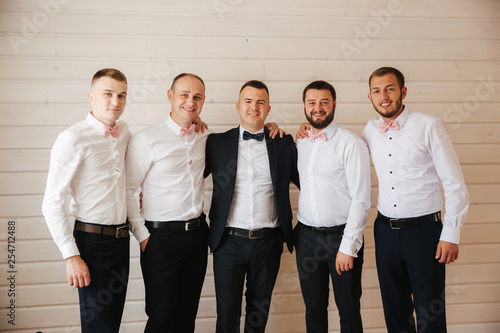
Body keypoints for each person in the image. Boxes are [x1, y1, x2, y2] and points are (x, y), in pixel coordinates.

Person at [361, 67, 469, 333]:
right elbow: (344, 154)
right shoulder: (369, 131)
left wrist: (451, 234)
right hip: (385, 232)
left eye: (390, 89)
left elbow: (455, 184)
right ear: (370, 97)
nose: (383, 96)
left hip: (425, 234)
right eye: (377, 91)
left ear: (403, 92)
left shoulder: (429, 126)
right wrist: (307, 130)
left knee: (429, 313)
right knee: (395, 313)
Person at [204, 80, 299, 333]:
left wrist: (308, 134)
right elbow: (188, 174)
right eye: (248, 101)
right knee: (226, 314)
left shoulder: (283, 142)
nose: (253, 107)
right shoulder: (215, 143)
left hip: (268, 241)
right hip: (228, 242)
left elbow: (308, 181)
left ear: (268, 109)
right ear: (238, 106)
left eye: (260, 102)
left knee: (259, 313)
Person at [42, 68, 133, 332]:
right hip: (91, 243)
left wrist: (195, 124)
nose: (115, 102)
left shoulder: (124, 132)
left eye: (122, 95)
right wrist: (71, 255)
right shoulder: (72, 138)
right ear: (91, 96)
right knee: (98, 327)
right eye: (108, 94)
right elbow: (52, 201)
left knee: (112, 323)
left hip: (121, 242)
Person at [125, 73, 210, 333]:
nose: (190, 101)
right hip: (159, 239)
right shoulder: (146, 139)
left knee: (187, 317)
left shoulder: (206, 136)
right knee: (161, 317)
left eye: (197, 97)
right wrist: (142, 235)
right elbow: (128, 189)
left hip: (197, 236)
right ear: (170, 95)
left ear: (203, 101)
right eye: (184, 94)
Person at [295, 80, 371, 333]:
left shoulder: (351, 144)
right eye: (312, 102)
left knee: (348, 311)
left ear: (334, 104)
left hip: (341, 238)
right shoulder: (301, 141)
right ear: (305, 106)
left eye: (324, 102)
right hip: (306, 238)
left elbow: (361, 199)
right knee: (313, 312)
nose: (318, 108)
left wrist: (348, 246)